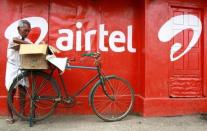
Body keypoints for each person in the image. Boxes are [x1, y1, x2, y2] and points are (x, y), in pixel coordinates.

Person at [5, 20, 32, 124]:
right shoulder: (13, 37)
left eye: (28, 31)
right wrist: (30, 44)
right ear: (18, 29)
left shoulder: (28, 40)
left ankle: (22, 113)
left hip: (22, 67)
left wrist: (34, 45)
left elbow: (32, 46)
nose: (27, 32)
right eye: (25, 30)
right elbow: (17, 41)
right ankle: (10, 116)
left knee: (23, 92)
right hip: (12, 67)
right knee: (11, 92)